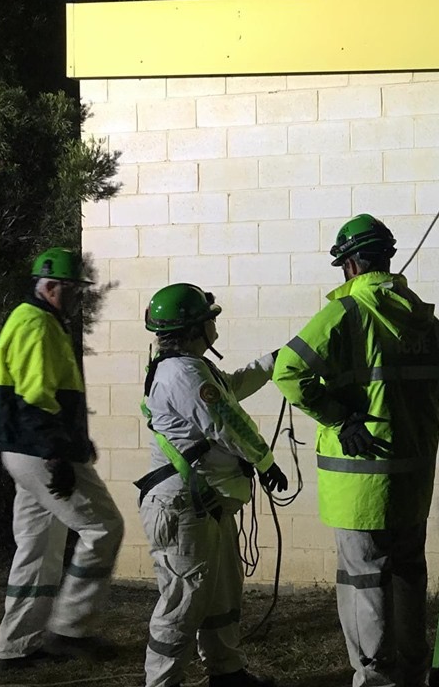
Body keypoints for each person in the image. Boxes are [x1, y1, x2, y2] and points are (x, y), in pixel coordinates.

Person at [273, 214, 439, 687]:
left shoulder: (346, 314)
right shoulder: (429, 324)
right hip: (412, 479)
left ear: (350, 265)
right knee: (409, 575)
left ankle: (377, 680)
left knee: (365, 580)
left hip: (359, 482)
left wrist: (340, 417)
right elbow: (438, 395)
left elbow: (287, 370)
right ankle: (413, 675)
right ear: (387, 258)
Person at [138, 282, 289, 687]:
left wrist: (275, 360)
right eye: (210, 319)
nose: (215, 325)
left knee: (221, 592)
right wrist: (264, 460)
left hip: (203, 503)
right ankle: (162, 682)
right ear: (194, 329)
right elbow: (226, 421)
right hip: (184, 507)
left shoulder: (189, 367)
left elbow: (231, 387)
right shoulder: (183, 373)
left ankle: (227, 672)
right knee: (183, 601)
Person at [0, 247, 124, 669]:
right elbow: (36, 398)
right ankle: (71, 629)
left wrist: (76, 443)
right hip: (39, 452)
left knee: (38, 548)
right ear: (52, 287)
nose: (79, 299)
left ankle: (16, 648)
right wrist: (58, 455)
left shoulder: (29, 320)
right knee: (104, 528)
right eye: (74, 291)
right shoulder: (39, 325)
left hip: (24, 450)